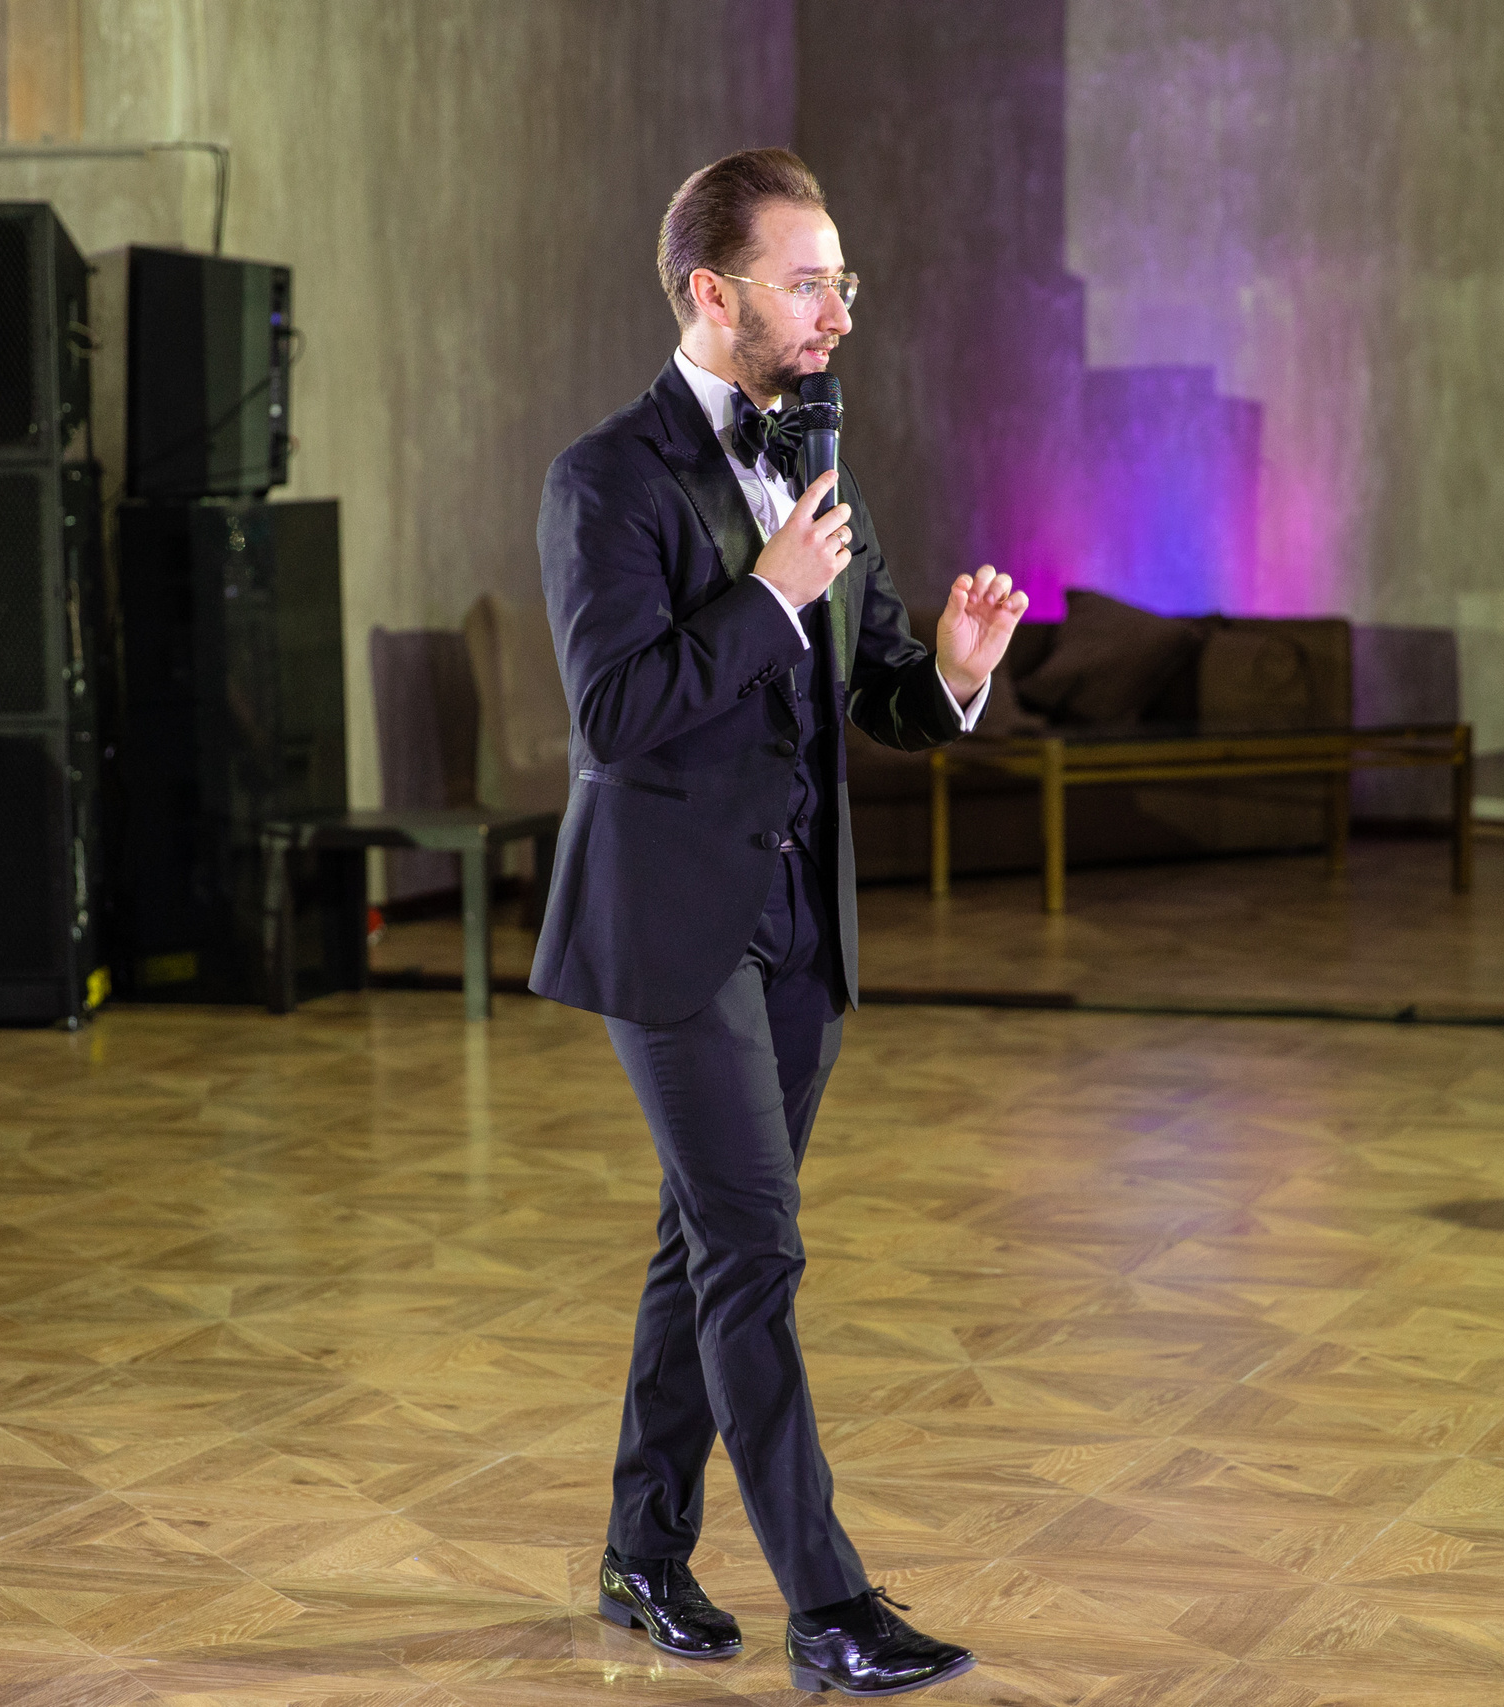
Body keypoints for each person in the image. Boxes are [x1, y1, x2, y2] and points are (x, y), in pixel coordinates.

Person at [530, 147, 1026, 1697]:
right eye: (809, 281)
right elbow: (616, 713)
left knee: (704, 1245)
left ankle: (641, 1548)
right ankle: (829, 1605)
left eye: (843, 282)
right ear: (713, 292)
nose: (837, 313)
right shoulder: (604, 477)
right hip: (669, 927)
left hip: (799, 931)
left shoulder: (814, 466)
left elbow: (872, 691)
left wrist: (949, 668)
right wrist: (765, 592)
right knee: (756, 1251)